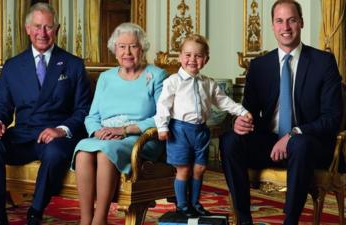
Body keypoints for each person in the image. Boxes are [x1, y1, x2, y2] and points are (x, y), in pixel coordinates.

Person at [219, 1, 343, 225]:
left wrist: (294, 133)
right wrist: (240, 123)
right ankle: (244, 219)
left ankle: (290, 220)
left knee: (299, 143)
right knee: (230, 141)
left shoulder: (323, 62)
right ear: (272, 25)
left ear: (301, 23)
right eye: (279, 21)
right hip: (270, 144)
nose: (285, 26)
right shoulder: (259, 65)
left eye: (291, 20)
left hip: (309, 145)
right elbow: (248, 111)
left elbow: (332, 118)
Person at [0, 3, 91, 225]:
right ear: (28, 29)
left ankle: (35, 212)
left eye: (48, 27)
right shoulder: (13, 65)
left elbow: (83, 110)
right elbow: (2, 106)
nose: (43, 33)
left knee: (55, 153)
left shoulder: (73, 65)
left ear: (56, 30)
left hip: (55, 137)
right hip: (22, 135)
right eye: (37, 27)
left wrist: (61, 130)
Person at [72, 22, 167, 225]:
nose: (127, 52)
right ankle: (85, 219)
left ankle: (99, 220)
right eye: (122, 46)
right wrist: (98, 132)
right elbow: (92, 116)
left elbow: (162, 117)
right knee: (82, 152)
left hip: (140, 137)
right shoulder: (106, 78)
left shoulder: (156, 75)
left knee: (105, 151)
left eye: (133, 46)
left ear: (142, 49)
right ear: (115, 50)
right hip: (105, 136)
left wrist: (124, 130)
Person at [154, 34, 252, 217]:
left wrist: (241, 111)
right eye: (188, 55)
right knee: (183, 169)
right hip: (179, 130)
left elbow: (224, 102)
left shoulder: (208, 83)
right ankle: (182, 205)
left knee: (199, 169)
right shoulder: (173, 82)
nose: (192, 60)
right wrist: (162, 127)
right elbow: (163, 105)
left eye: (198, 56)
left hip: (201, 131)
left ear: (205, 60)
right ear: (180, 57)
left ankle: (194, 203)